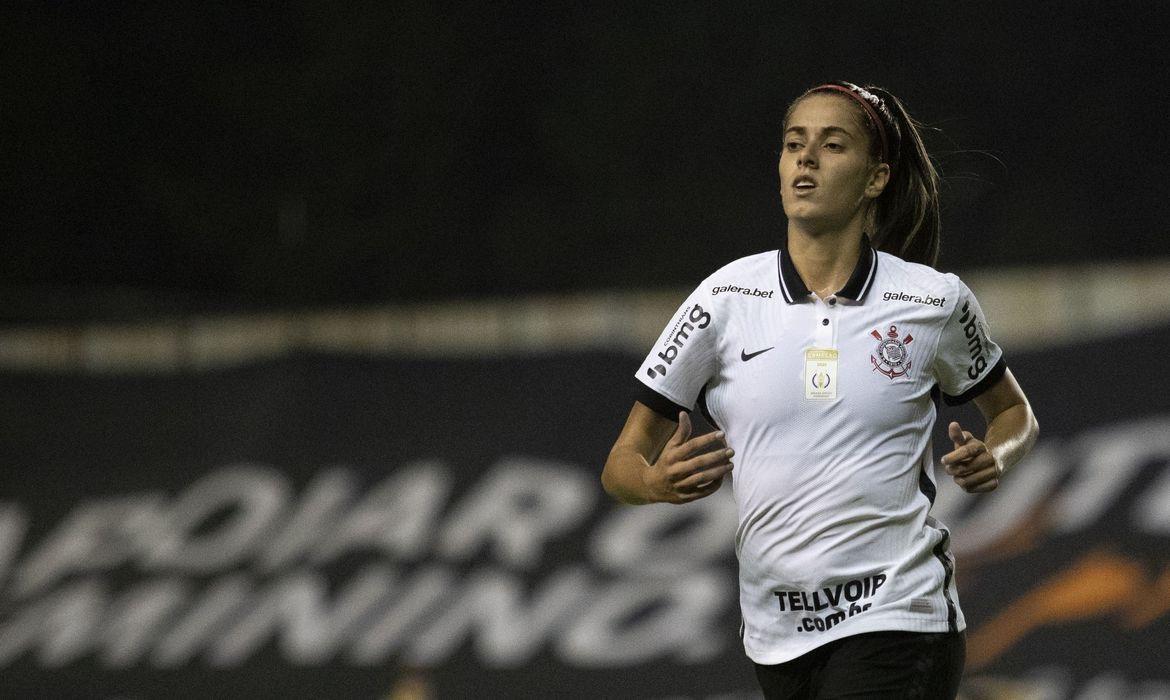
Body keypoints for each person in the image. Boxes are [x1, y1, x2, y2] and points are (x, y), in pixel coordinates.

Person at [601, 81, 1039, 699]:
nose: (805, 159)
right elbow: (620, 463)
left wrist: (997, 454)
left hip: (899, 616)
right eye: (793, 144)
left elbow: (1015, 413)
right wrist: (651, 483)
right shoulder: (723, 299)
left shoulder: (932, 301)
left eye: (832, 146)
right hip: (776, 631)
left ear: (875, 178)